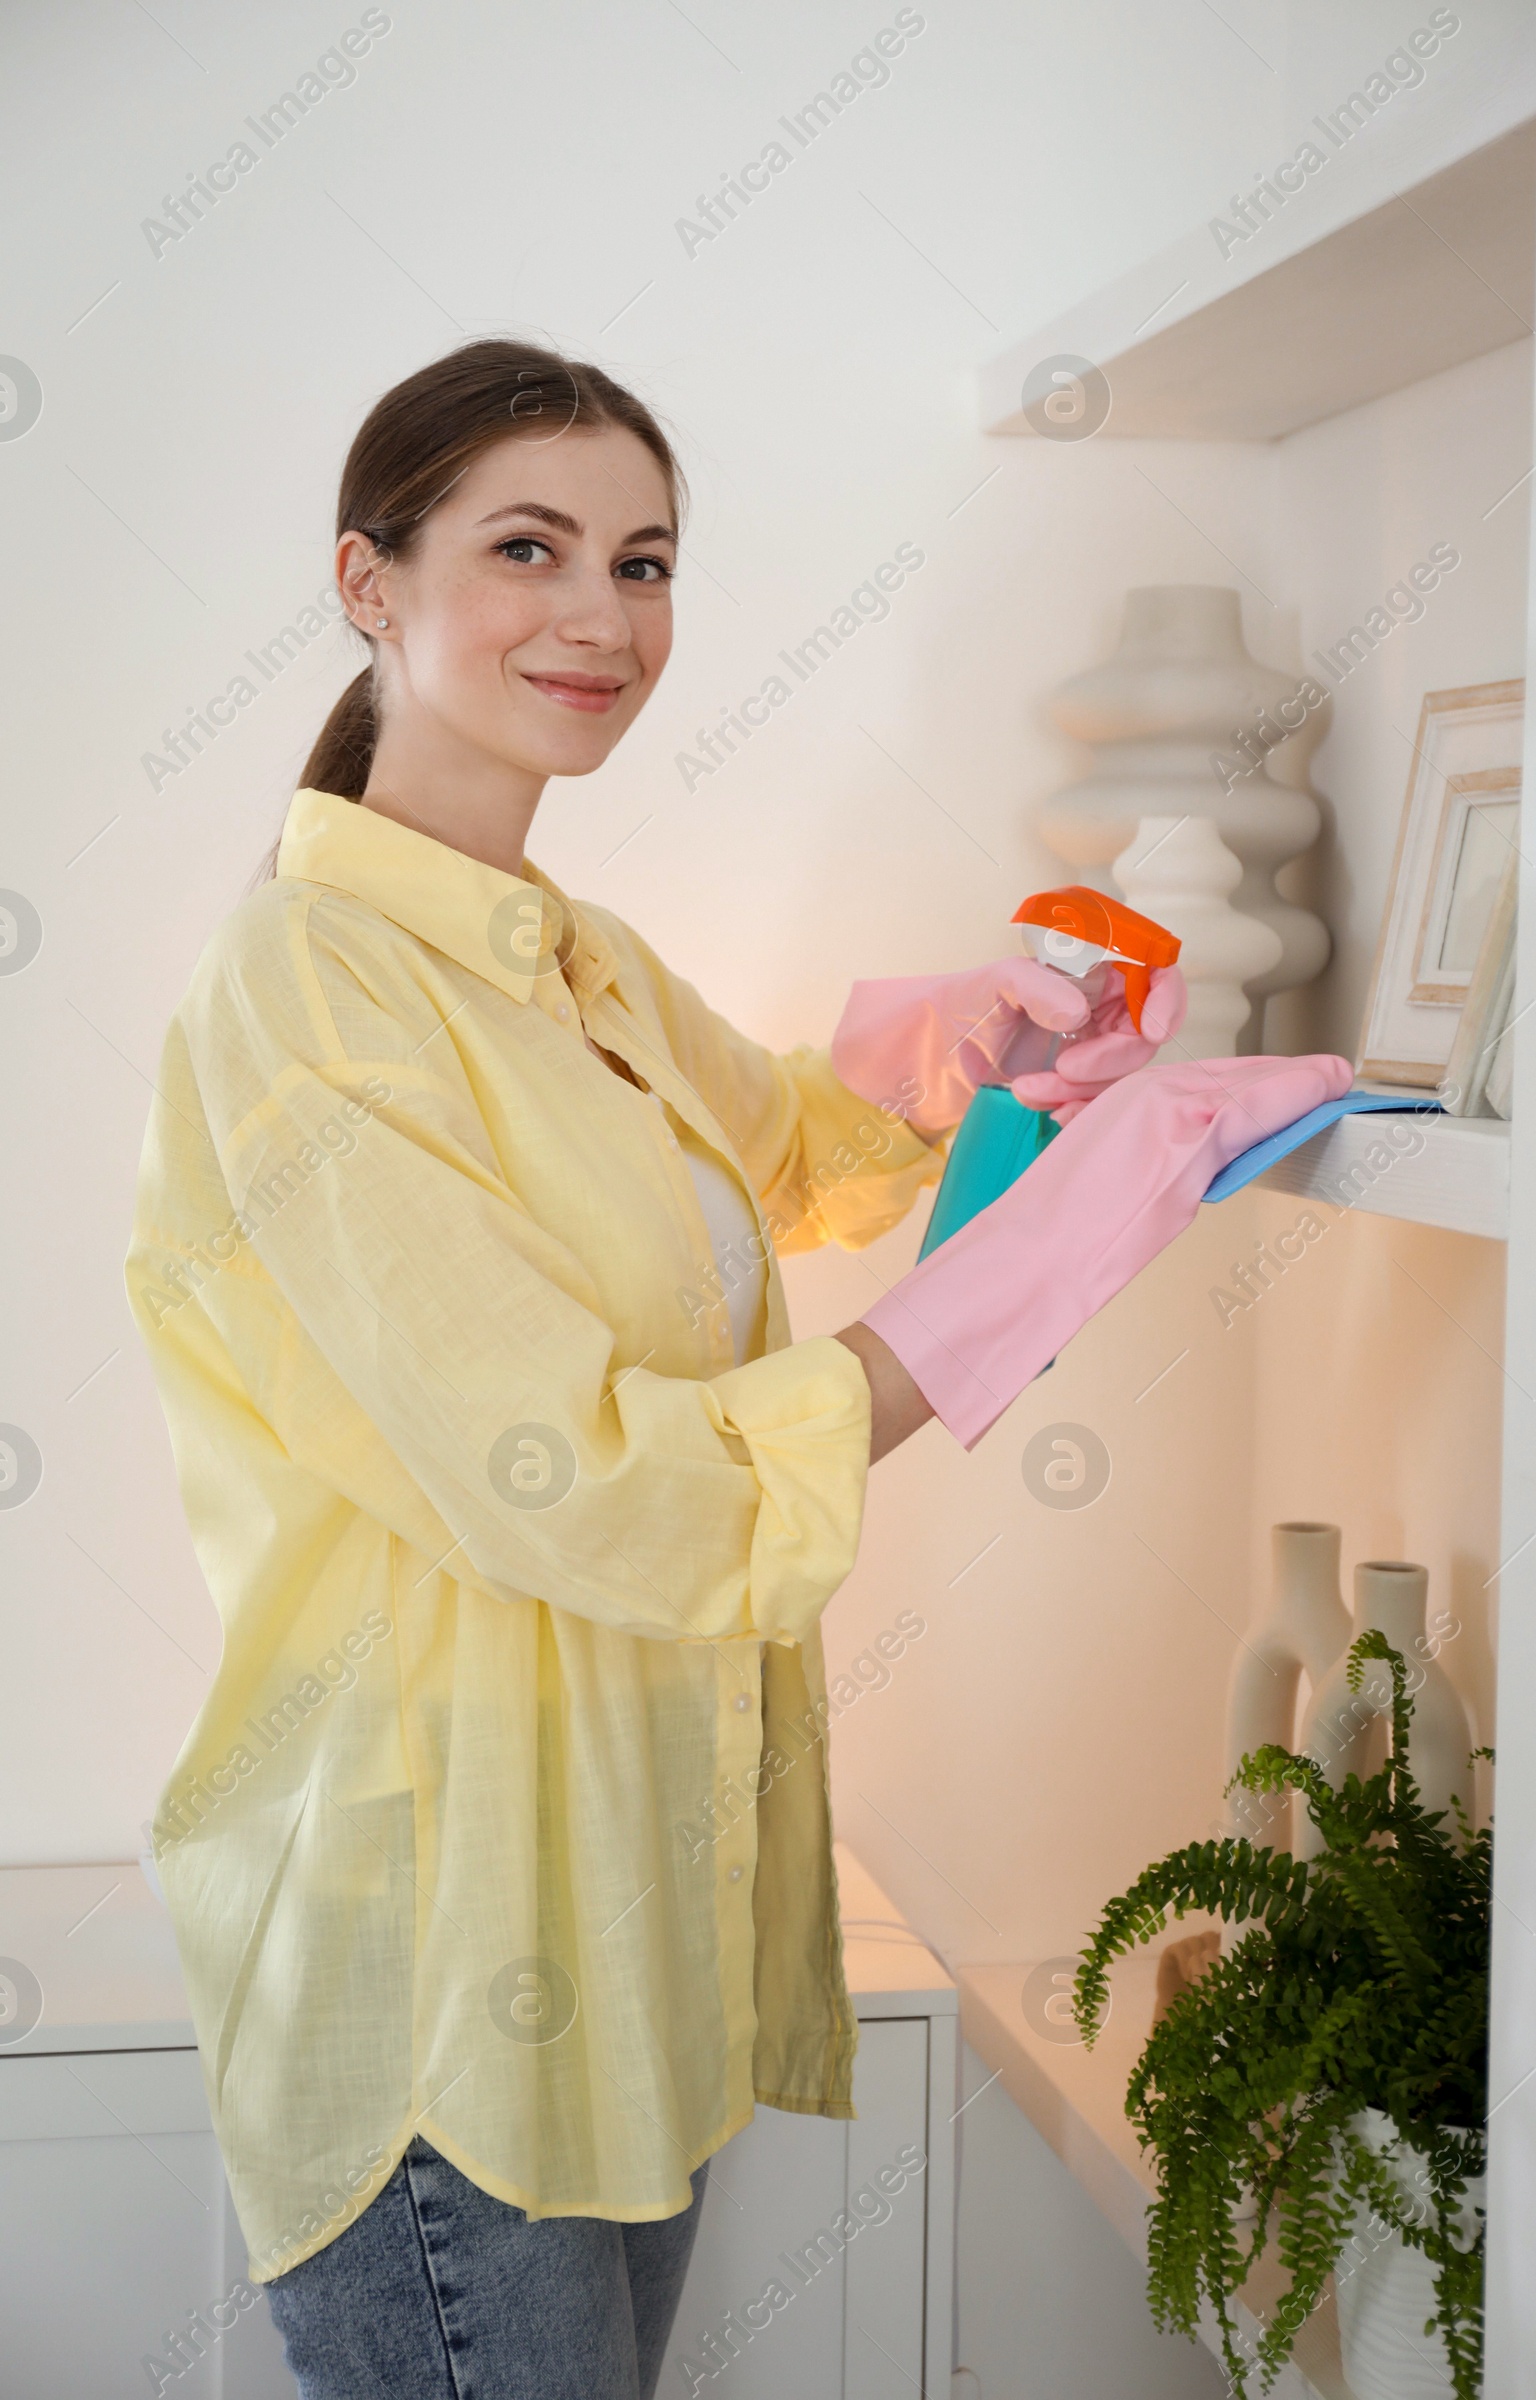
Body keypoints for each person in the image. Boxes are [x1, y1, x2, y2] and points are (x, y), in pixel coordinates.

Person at [123, 337, 1348, 2400]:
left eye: (645, 560)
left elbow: (770, 1143)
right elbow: (583, 1476)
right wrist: (1038, 1258)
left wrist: (982, 1042)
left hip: (620, 1953)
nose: (603, 618)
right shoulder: (303, 991)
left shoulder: (557, 944)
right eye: (529, 548)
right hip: (441, 1982)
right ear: (368, 582)